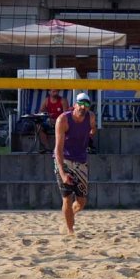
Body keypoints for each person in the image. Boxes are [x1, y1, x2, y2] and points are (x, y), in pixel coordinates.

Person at [54, 92, 97, 235]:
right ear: (74, 105)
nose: (83, 107)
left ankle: (69, 215)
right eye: (80, 104)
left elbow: (93, 128)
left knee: (81, 201)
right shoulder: (63, 120)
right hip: (64, 159)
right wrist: (62, 173)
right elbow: (58, 149)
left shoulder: (90, 117)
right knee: (67, 197)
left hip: (81, 161)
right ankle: (70, 231)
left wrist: (91, 133)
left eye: (86, 104)